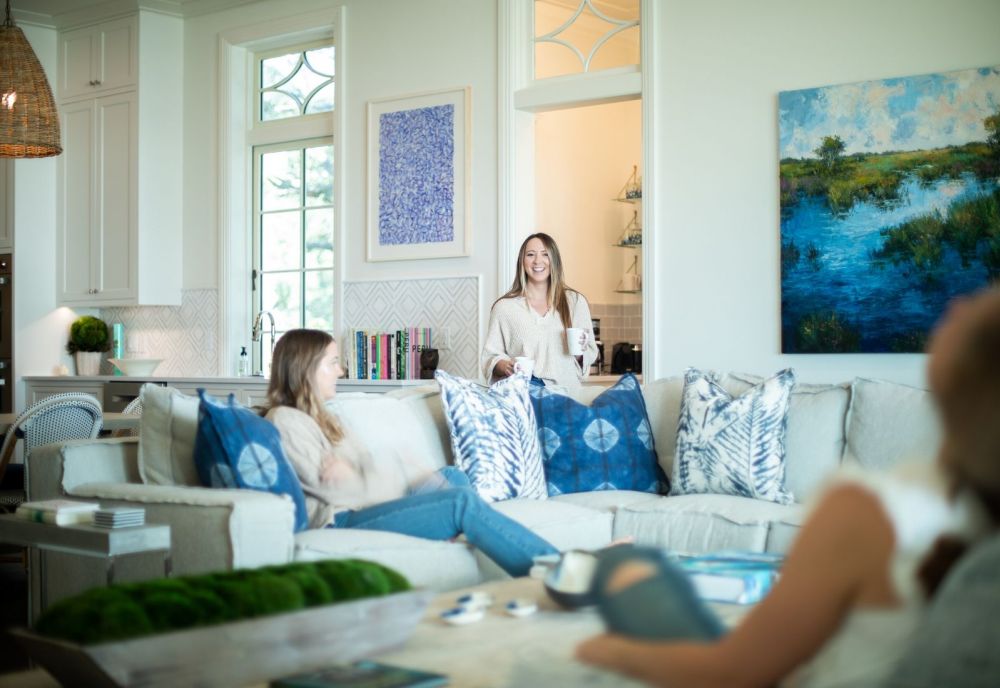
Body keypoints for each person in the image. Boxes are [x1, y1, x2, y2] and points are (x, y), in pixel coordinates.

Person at [576, 287, 1000, 687]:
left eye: (978, 310)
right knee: (636, 571)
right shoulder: (974, 519)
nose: (960, 303)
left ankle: (596, 573)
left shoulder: (867, 512)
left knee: (624, 571)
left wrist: (611, 654)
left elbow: (729, 675)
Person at [261, 328, 559, 578]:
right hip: (341, 520)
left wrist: (378, 472)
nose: (340, 370)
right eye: (333, 362)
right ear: (306, 368)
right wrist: (385, 473)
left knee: (451, 476)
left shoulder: (327, 418)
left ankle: (466, 533)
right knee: (459, 501)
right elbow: (338, 491)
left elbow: (361, 472)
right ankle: (558, 569)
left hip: (368, 503)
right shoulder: (285, 420)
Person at [482, 233, 599, 392]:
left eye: (545, 254)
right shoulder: (504, 308)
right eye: (530, 255)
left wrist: (579, 352)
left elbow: (590, 353)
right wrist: (504, 366)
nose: (538, 261)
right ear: (522, 262)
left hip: (568, 394)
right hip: (527, 394)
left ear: (555, 261)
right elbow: (490, 357)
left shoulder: (575, 302)